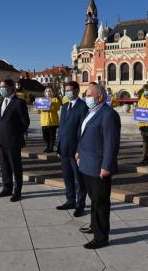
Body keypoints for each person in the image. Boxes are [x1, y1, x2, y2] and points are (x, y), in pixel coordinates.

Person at [76, 84, 121, 249]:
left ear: (100, 96)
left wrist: (106, 166)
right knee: (94, 200)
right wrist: (78, 152)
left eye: (89, 94)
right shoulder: (91, 112)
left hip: (99, 167)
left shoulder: (109, 114)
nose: (86, 97)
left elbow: (111, 143)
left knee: (101, 202)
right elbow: (84, 135)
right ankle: (94, 226)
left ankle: (101, 237)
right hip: (87, 164)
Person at [56, 81, 89, 217]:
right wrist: (58, 146)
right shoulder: (64, 106)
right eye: (66, 90)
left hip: (75, 150)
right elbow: (61, 127)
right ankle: (70, 200)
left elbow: (83, 130)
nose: (67, 92)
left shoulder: (83, 107)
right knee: (67, 176)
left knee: (79, 179)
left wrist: (79, 150)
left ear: (77, 90)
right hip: (64, 148)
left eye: (70, 90)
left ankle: (80, 205)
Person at [0, 79, 30, 202]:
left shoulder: (18, 102)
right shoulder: (1, 101)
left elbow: (25, 122)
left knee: (15, 167)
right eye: (0, 87)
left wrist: (15, 134)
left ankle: (17, 191)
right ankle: (7, 188)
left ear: (10, 87)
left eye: (3, 87)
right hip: (2, 140)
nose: (1, 89)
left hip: (13, 140)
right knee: (4, 166)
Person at [37, 86, 61, 153]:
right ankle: (48, 146)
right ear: (44, 93)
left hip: (52, 121)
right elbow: (38, 112)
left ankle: (50, 148)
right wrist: (36, 106)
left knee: (52, 136)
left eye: (49, 91)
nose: (48, 92)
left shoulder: (55, 99)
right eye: (46, 91)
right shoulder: (42, 100)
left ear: (52, 92)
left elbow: (57, 108)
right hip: (44, 121)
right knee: (45, 137)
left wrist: (50, 105)